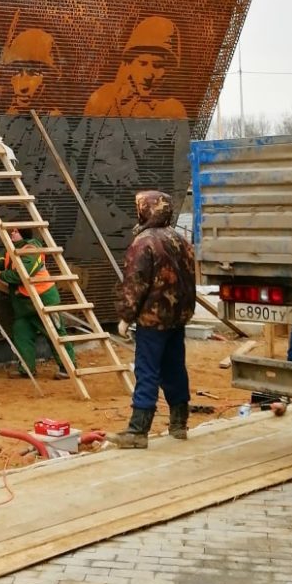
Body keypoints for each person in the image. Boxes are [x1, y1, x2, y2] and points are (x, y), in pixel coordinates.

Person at [109, 190, 196, 448]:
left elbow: (135, 284)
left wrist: (126, 316)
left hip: (152, 320)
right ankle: (179, 424)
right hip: (177, 319)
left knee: (147, 371)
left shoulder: (143, 242)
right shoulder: (180, 240)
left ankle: (138, 431)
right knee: (175, 369)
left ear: (146, 209)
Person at [0, 228, 76, 380]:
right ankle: (26, 369)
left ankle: (68, 367)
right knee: (22, 333)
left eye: (15, 232)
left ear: (24, 234)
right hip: (25, 303)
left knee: (55, 335)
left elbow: (22, 275)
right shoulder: (14, 249)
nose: (12, 234)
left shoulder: (31, 250)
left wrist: (0, 274)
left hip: (43, 299)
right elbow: (2, 261)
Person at [84, 16, 188, 119]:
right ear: (129, 63)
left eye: (158, 66)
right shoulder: (103, 98)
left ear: (169, 70)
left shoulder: (173, 112)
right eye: (142, 63)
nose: (148, 75)